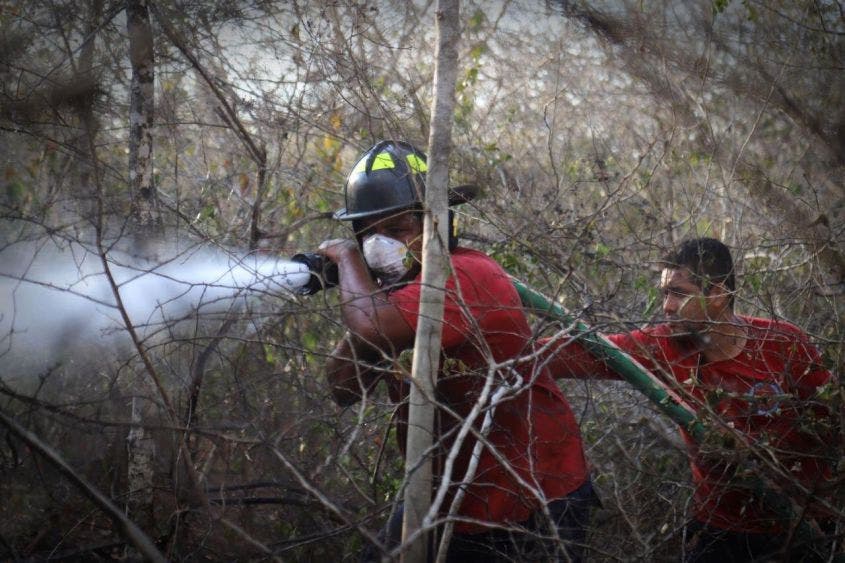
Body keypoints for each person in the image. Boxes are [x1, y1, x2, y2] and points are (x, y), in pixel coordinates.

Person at [317, 140, 594, 562]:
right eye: (367, 233)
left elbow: (373, 326)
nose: (379, 245)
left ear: (438, 225)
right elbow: (343, 387)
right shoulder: (395, 298)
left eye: (396, 231)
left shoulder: (467, 275)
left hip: (530, 495)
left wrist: (347, 258)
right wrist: (372, 283)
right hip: (447, 496)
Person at [540, 237, 836, 562]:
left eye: (679, 293)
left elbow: (832, 426)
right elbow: (580, 353)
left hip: (801, 530)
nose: (666, 306)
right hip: (718, 534)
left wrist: (819, 507)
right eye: (665, 293)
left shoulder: (784, 343)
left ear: (719, 294)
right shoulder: (665, 345)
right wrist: (499, 343)